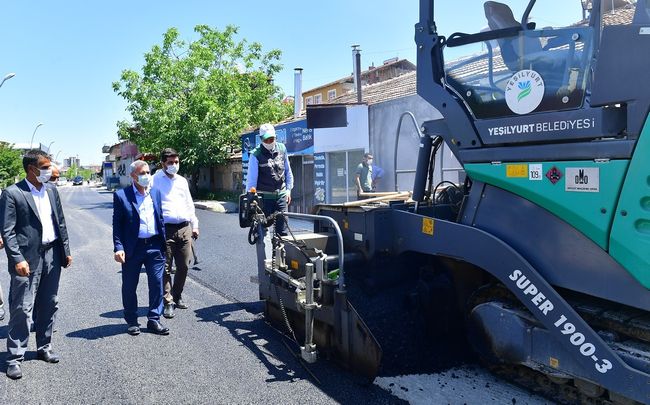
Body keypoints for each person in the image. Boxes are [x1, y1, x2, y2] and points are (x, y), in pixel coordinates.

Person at [0, 149, 72, 380]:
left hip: (52, 253)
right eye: (45, 167)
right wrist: (17, 258)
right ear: (32, 169)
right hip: (27, 259)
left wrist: (66, 251)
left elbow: (60, 223)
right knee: (22, 307)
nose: (50, 170)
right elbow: (8, 231)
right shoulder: (12, 193)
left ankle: (44, 346)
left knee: (49, 302)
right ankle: (14, 357)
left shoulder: (51, 190)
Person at [112, 160, 169, 336]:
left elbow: (160, 219)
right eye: (142, 173)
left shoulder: (156, 193)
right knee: (129, 286)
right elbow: (117, 225)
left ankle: (154, 319)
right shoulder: (122, 196)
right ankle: (132, 320)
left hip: (154, 246)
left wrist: (162, 243)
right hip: (133, 248)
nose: (146, 176)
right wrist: (118, 247)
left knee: (157, 284)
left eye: (148, 172)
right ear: (133, 176)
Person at [152, 148, 199, 319]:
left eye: (176, 162)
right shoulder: (155, 180)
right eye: (170, 162)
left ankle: (177, 295)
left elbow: (189, 203)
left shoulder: (181, 181)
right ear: (163, 163)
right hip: (165, 230)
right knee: (165, 268)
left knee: (184, 266)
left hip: (184, 228)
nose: (174, 165)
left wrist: (195, 225)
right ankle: (168, 301)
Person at [245, 123, 293, 236]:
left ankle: (281, 252)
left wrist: (288, 190)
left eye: (271, 139)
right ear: (261, 139)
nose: (269, 142)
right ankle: (265, 252)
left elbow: (288, 172)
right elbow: (251, 181)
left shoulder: (282, 149)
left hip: (281, 196)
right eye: (266, 140)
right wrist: (251, 199)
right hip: (264, 199)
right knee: (262, 232)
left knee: (283, 233)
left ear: (275, 137)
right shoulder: (255, 155)